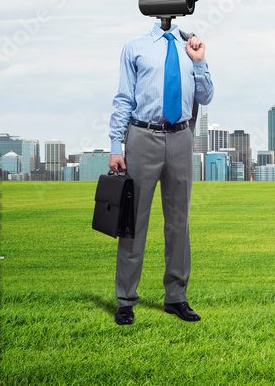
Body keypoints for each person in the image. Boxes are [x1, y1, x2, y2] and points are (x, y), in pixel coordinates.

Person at [107, 24, 214, 326]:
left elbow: (205, 97)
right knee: (133, 222)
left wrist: (200, 62)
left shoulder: (190, 47)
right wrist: (117, 146)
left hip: (181, 137)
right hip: (142, 136)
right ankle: (126, 301)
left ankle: (176, 298)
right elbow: (124, 98)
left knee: (179, 222)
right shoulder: (135, 47)